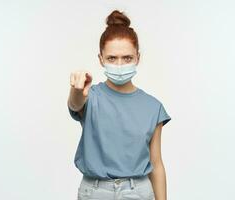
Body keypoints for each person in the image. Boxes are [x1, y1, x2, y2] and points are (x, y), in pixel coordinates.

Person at [67, 9, 171, 200]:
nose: (120, 65)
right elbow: (75, 105)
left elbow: (156, 164)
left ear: (138, 58)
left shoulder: (153, 107)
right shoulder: (91, 97)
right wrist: (76, 89)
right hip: (95, 192)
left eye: (127, 58)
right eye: (112, 58)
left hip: (138, 192)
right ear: (101, 59)